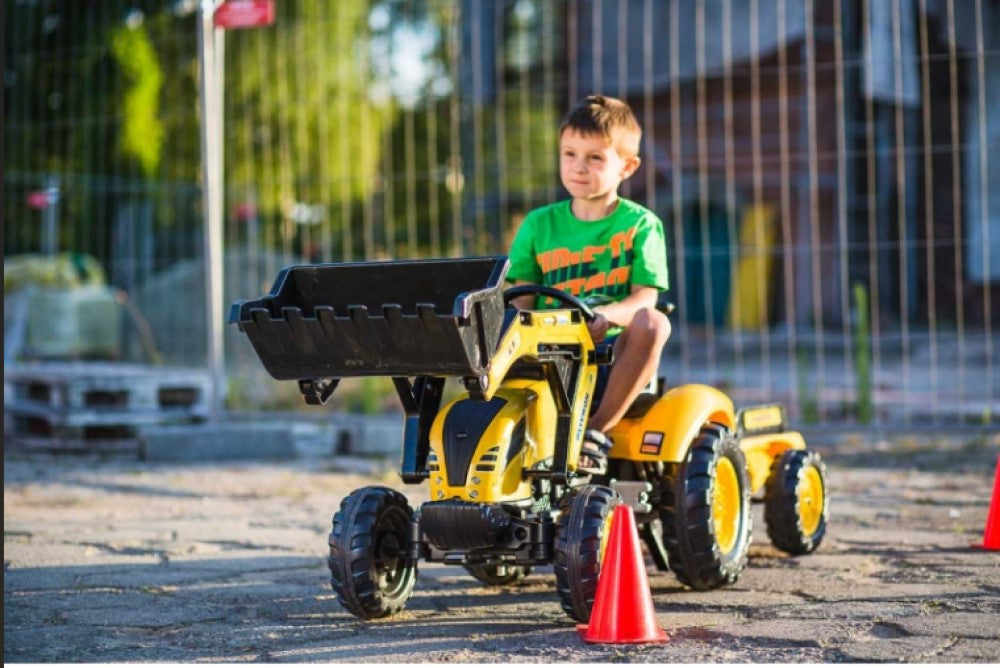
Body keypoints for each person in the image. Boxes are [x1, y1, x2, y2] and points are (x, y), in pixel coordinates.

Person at [506, 94, 672, 475]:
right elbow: (523, 301)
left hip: (610, 350)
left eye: (595, 158)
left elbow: (645, 298)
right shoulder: (537, 225)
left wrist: (607, 316)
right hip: (550, 350)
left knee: (654, 322)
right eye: (569, 154)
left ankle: (595, 432)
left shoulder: (641, 225)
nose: (579, 167)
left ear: (627, 167)